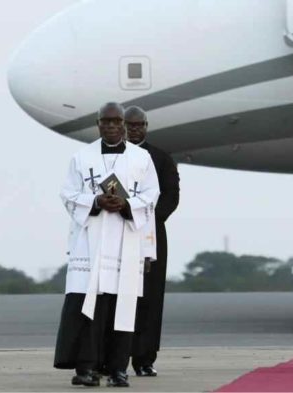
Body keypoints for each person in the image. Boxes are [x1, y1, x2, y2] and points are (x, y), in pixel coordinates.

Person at [54, 102, 160, 388]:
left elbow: (152, 197)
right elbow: (67, 194)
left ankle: (117, 369)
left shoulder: (141, 158)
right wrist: (95, 201)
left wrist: (127, 204)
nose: (112, 126)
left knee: (121, 307)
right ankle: (86, 367)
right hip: (90, 243)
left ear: (124, 124)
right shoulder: (81, 157)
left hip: (127, 240)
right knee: (89, 307)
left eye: (117, 121)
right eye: (106, 121)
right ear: (98, 123)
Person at [124, 106, 180, 377]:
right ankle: (114, 358)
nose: (135, 129)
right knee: (118, 298)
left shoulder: (160, 157)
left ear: (146, 126)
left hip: (151, 235)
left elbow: (172, 195)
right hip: (117, 233)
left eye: (139, 125)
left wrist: (147, 219)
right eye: (130, 125)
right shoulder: (109, 157)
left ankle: (145, 359)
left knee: (150, 298)